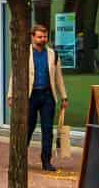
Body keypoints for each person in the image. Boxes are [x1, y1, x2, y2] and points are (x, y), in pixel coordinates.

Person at [24, 24, 69, 172]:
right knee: (27, 128)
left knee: (47, 129)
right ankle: (21, 157)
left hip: (47, 95)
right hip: (30, 96)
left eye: (45, 37)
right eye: (39, 37)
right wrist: (11, 95)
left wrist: (64, 96)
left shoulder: (53, 54)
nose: (43, 39)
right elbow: (16, 76)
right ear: (33, 37)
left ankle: (46, 160)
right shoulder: (25, 53)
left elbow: (58, 77)